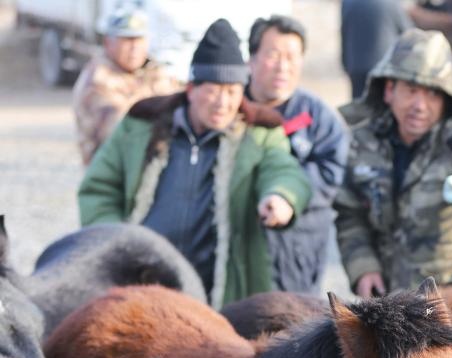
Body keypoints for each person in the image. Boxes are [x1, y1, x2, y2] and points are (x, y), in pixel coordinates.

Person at [78, 19, 310, 309]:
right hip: (141, 278)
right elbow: (100, 187)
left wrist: (280, 197)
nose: (223, 103)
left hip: (220, 289)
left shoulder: (260, 134)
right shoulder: (140, 127)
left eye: (232, 91)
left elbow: (284, 171)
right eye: (213, 89)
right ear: (191, 89)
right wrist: (115, 240)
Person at [334, 29, 452, 298]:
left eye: (433, 94)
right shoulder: (363, 141)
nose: (420, 105)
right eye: (411, 91)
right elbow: (350, 213)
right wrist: (363, 267)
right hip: (393, 303)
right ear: (389, 90)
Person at [247, 15, 350, 293]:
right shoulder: (232, 108)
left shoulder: (318, 116)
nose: (283, 66)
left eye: (292, 57)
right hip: (241, 243)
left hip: (298, 250)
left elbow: (333, 172)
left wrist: (287, 198)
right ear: (251, 59)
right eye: (273, 55)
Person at [71, 7, 178, 164]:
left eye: (139, 39)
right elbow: (123, 132)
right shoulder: (98, 81)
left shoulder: (154, 71)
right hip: (113, 173)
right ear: (108, 43)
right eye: (127, 40)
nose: (134, 47)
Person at [341, 0, 413, 98]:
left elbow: (344, 31)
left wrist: (345, 63)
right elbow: (409, 34)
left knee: (358, 106)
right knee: (381, 107)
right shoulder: (391, 2)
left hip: (356, 65)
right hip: (382, 67)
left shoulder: (348, 2)